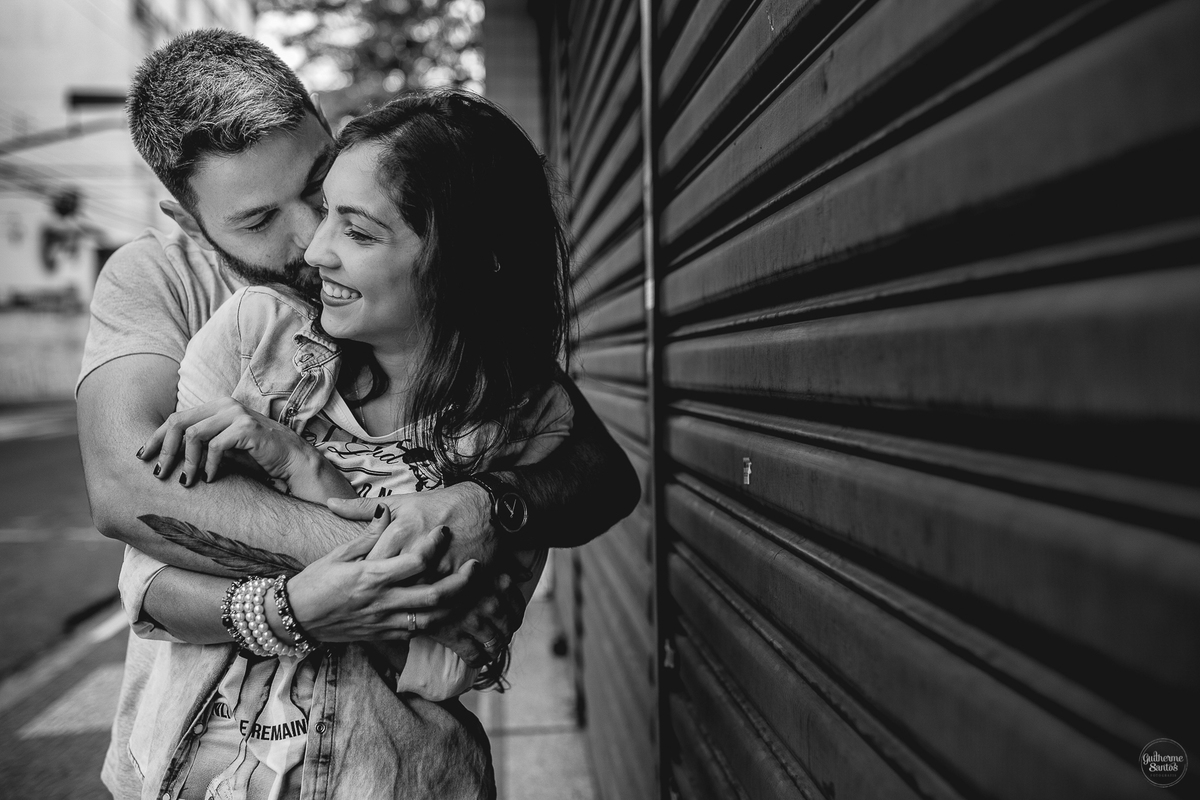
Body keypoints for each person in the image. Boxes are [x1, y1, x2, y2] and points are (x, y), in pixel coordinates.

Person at [75, 29, 639, 800]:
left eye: (316, 184)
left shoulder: (407, 230)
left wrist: (482, 502)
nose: (309, 241)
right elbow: (130, 493)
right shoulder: (165, 284)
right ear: (186, 217)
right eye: (257, 221)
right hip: (207, 756)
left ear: (327, 132)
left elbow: (592, 468)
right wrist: (400, 585)